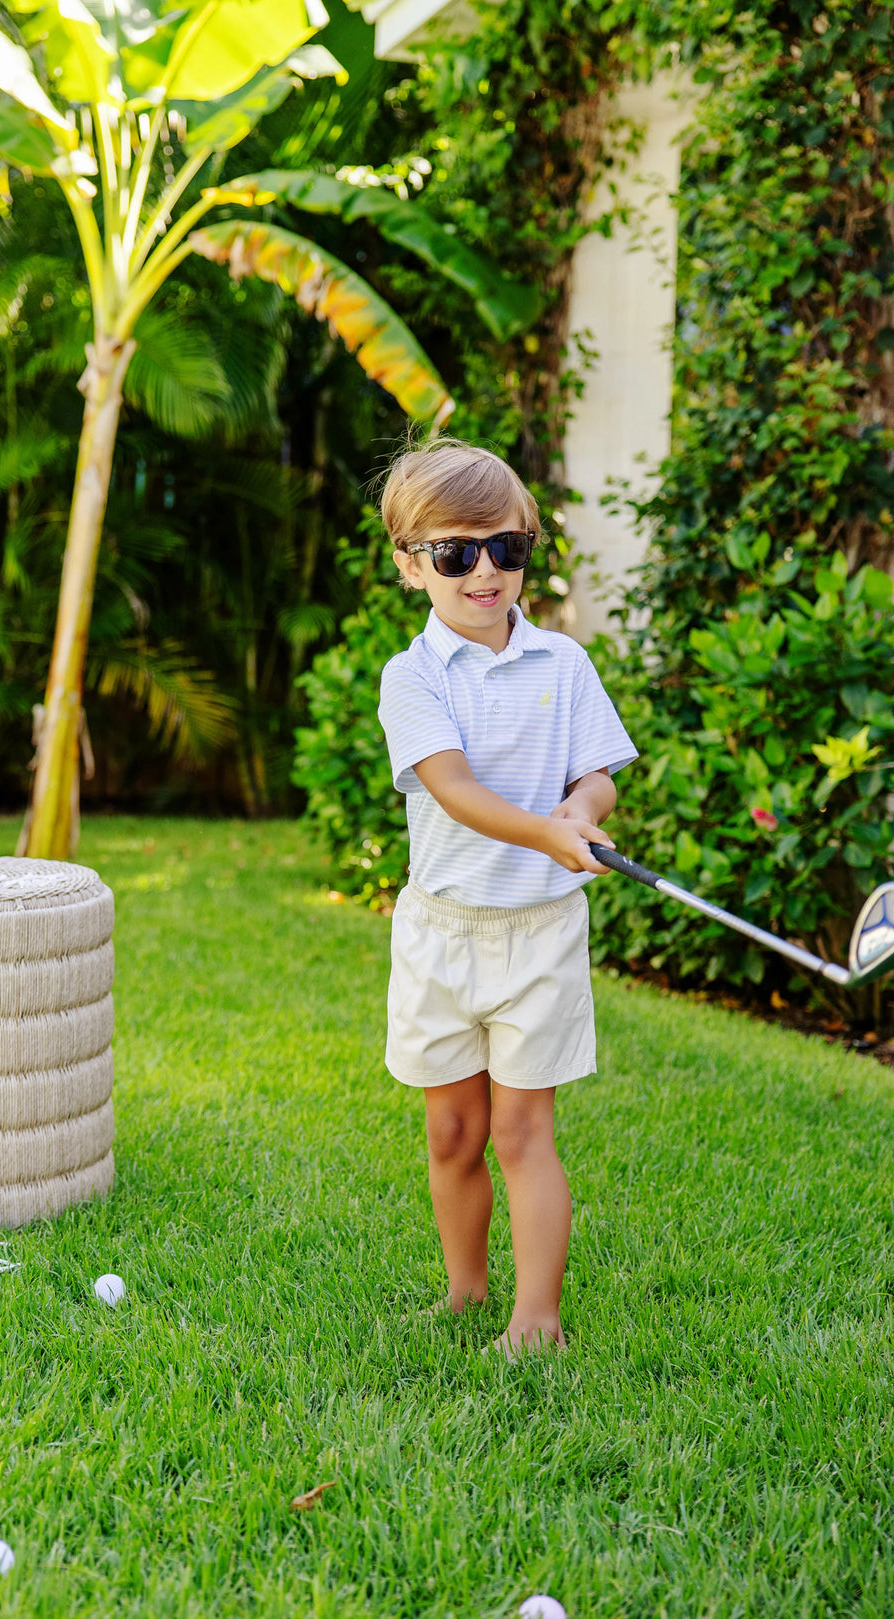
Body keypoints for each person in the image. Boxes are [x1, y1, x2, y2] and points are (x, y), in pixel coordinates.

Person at [376, 438, 637, 1358]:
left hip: (540, 934)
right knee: (453, 1130)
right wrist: (548, 830)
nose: (484, 570)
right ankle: (464, 1292)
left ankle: (537, 1318)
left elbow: (598, 776)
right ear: (413, 565)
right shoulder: (411, 678)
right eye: (455, 552)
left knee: (525, 1131)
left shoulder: (563, 664)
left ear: (527, 547)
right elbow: (453, 789)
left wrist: (581, 805)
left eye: (506, 548)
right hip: (443, 932)